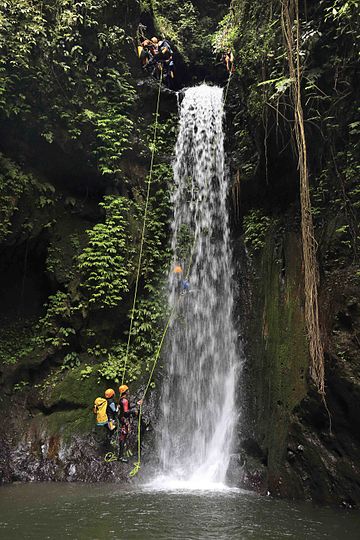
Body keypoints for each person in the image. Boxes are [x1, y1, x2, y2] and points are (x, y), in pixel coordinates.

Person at [118, 384, 142, 462]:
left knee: (123, 436)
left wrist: (137, 404)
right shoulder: (124, 400)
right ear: (125, 391)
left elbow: (127, 407)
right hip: (124, 419)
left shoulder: (122, 399)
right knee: (123, 437)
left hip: (122, 418)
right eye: (127, 390)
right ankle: (120, 457)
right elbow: (126, 412)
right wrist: (134, 411)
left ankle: (121, 455)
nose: (129, 391)